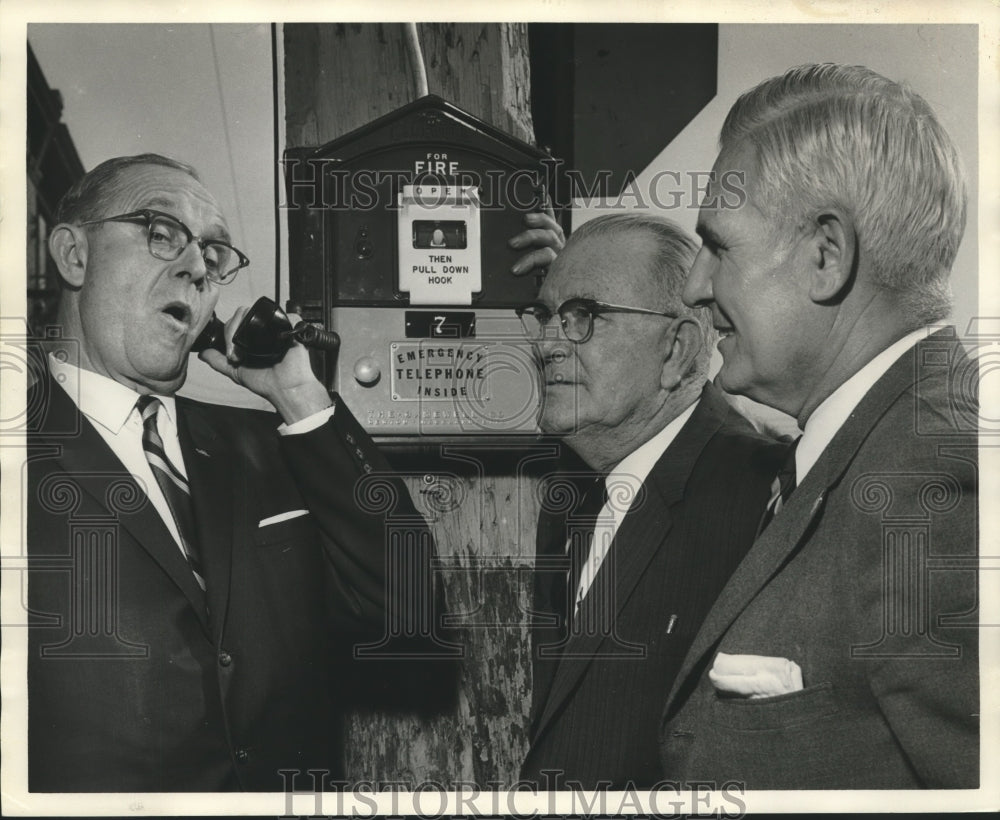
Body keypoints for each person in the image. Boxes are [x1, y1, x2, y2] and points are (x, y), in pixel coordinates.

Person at [25, 153, 435, 792]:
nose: (195, 267)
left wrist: (299, 397)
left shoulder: (270, 447)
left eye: (215, 256)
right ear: (75, 256)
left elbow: (409, 614)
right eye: (160, 232)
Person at [662, 63, 978, 788]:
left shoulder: (934, 482)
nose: (693, 286)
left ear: (825, 257)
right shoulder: (879, 448)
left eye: (719, 246)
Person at [515, 213, 783, 789]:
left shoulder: (765, 494)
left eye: (583, 317)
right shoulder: (574, 494)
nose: (546, 345)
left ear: (677, 350)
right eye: (545, 317)